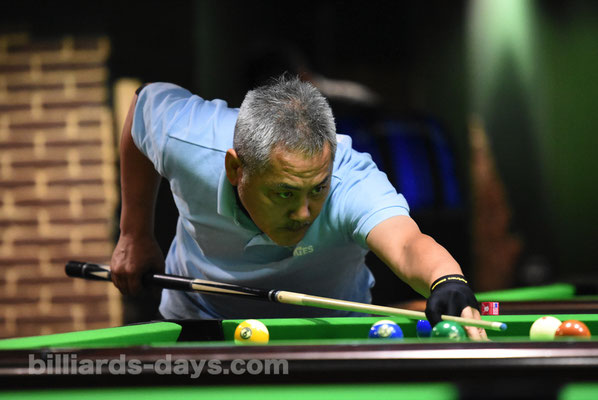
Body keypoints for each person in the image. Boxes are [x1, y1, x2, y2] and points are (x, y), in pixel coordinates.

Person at [111, 75, 485, 339]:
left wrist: (446, 280)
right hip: (199, 321)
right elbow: (144, 103)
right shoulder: (189, 140)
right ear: (236, 169)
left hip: (333, 330)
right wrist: (133, 234)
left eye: (317, 189)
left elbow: (406, 243)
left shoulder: (350, 180)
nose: (305, 213)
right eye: (285, 194)